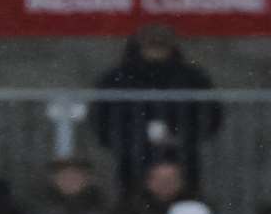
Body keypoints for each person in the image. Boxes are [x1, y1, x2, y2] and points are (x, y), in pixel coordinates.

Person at [90, 24, 221, 192]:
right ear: (139, 46)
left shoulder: (192, 78)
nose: (155, 52)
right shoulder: (117, 77)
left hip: (180, 156)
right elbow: (101, 118)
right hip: (132, 157)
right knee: (133, 200)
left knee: (184, 197)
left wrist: (181, 138)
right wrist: (128, 141)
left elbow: (210, 115)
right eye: (151, 46)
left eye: (160, 46)